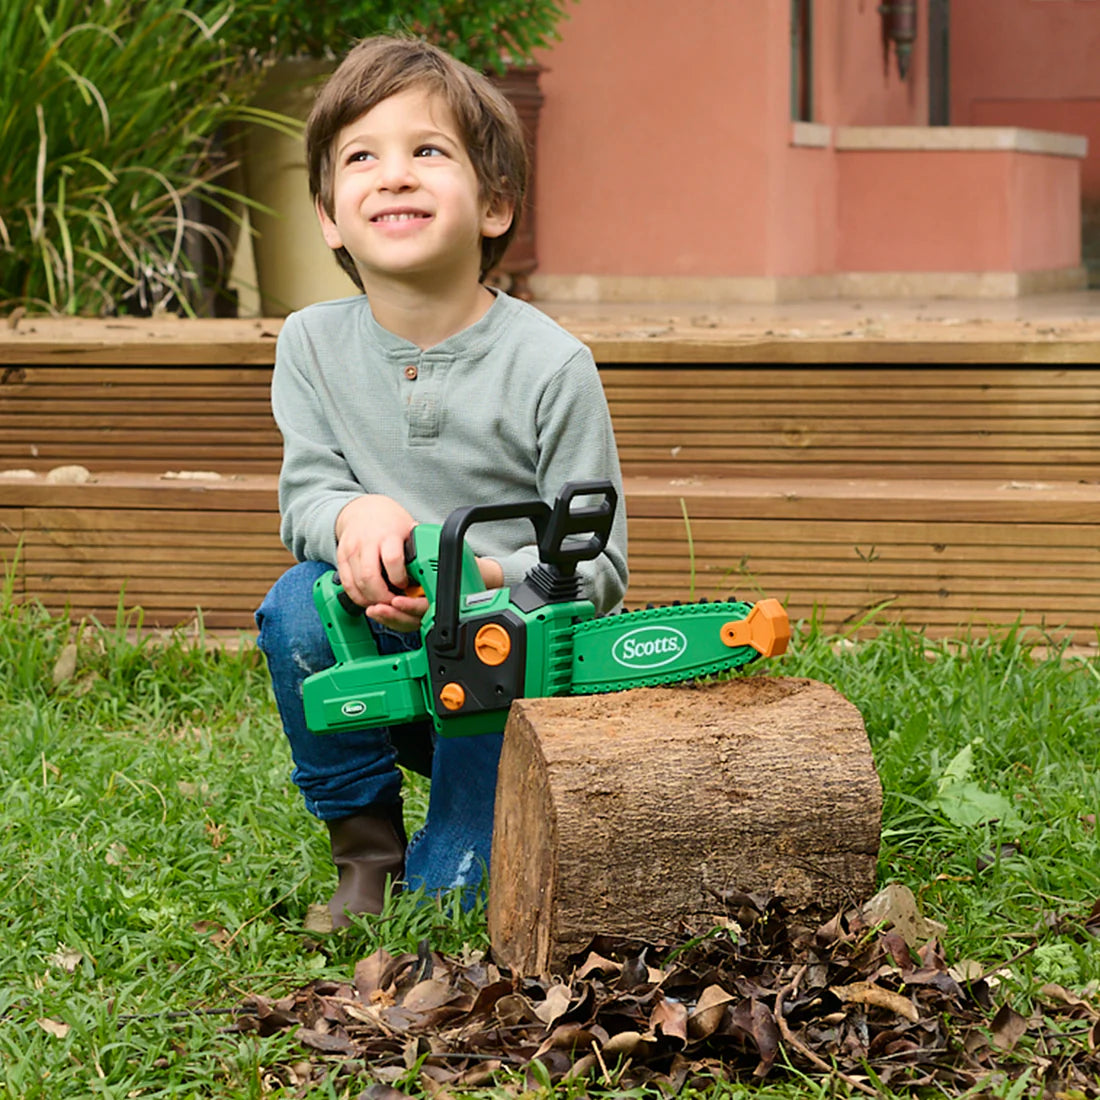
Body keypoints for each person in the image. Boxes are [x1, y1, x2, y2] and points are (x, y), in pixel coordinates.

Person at [255, 36, 628, 926]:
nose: (394, 176)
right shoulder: (310, 345)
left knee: (453, 905)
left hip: (507, 670)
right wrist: (355, 517)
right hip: (382, 641)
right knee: (297, 605)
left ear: (495, 204)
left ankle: (457, 846)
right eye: (362, 157)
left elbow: (601, 567)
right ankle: (365, 852)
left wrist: (485, 578)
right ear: (329, 217)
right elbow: (305, 496)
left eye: (428, 151)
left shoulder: (551, 365)